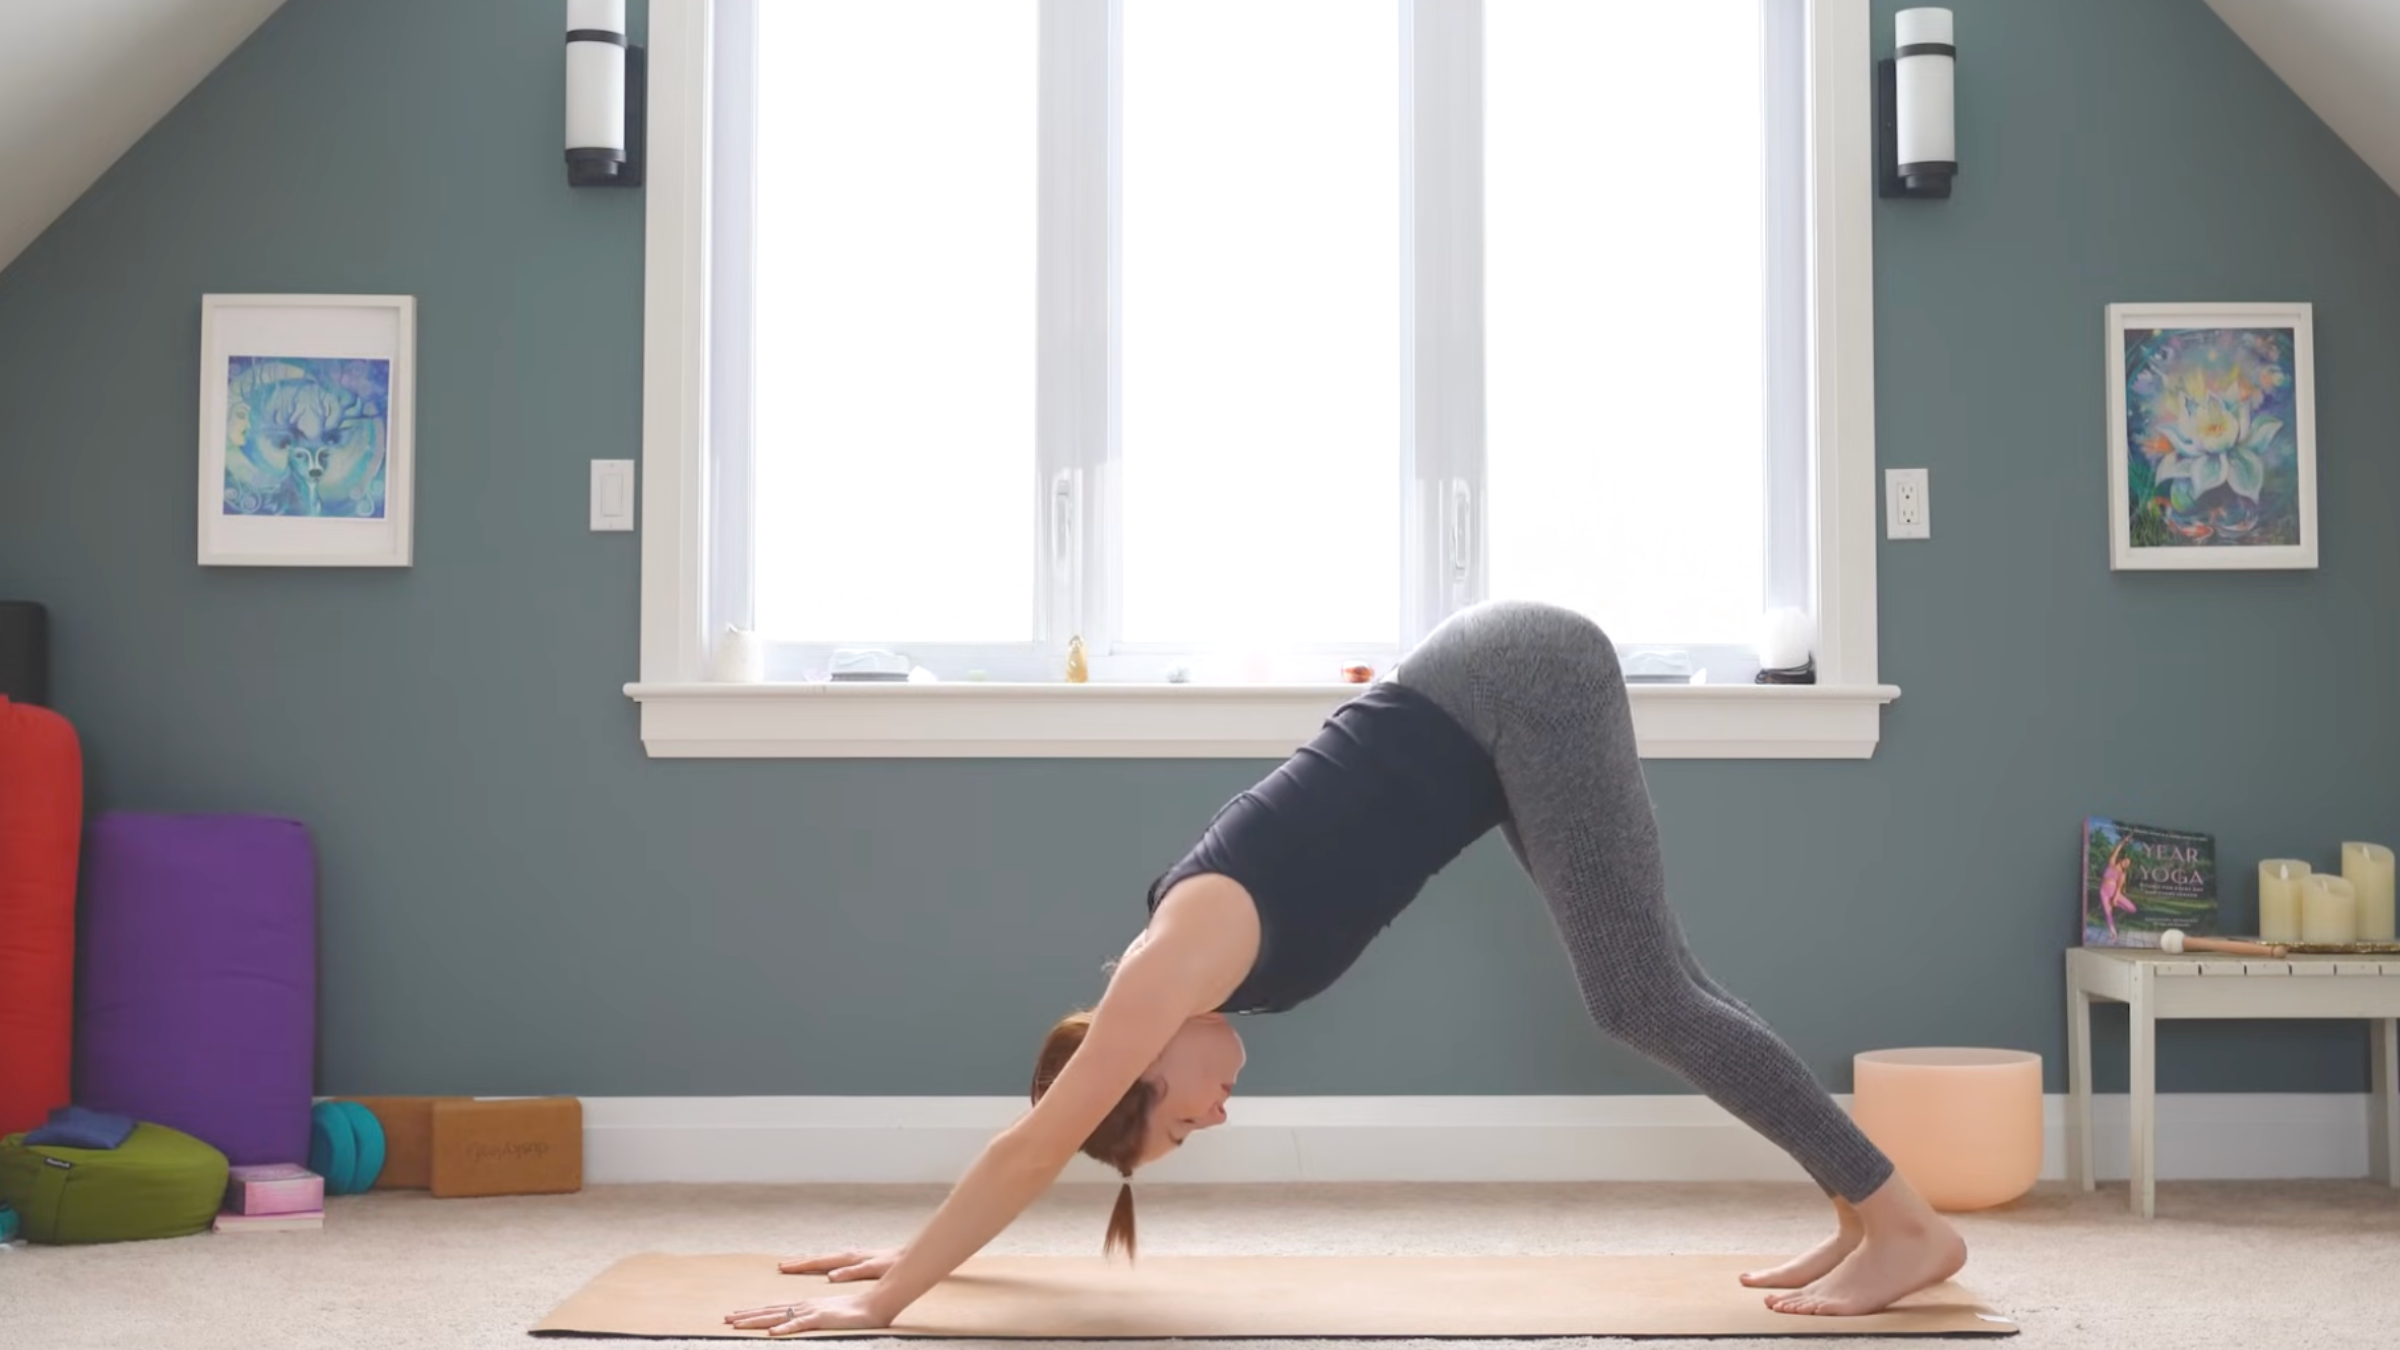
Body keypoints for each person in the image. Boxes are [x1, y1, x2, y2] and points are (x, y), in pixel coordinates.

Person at [727, 599, 1966, 1336]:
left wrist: (883, 1307)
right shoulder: (1192, 973)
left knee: (1640, 996)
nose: (1217, 1116)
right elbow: (1053, 1142)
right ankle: (1860, 1207)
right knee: (1659, 981)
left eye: (1181, 1125)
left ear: (1140, 1069)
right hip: (1489, 711)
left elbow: (1034, 1145)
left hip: (1509, 684)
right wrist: (907, 1255)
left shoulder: (1175, 961)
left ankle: (1906, 1223)